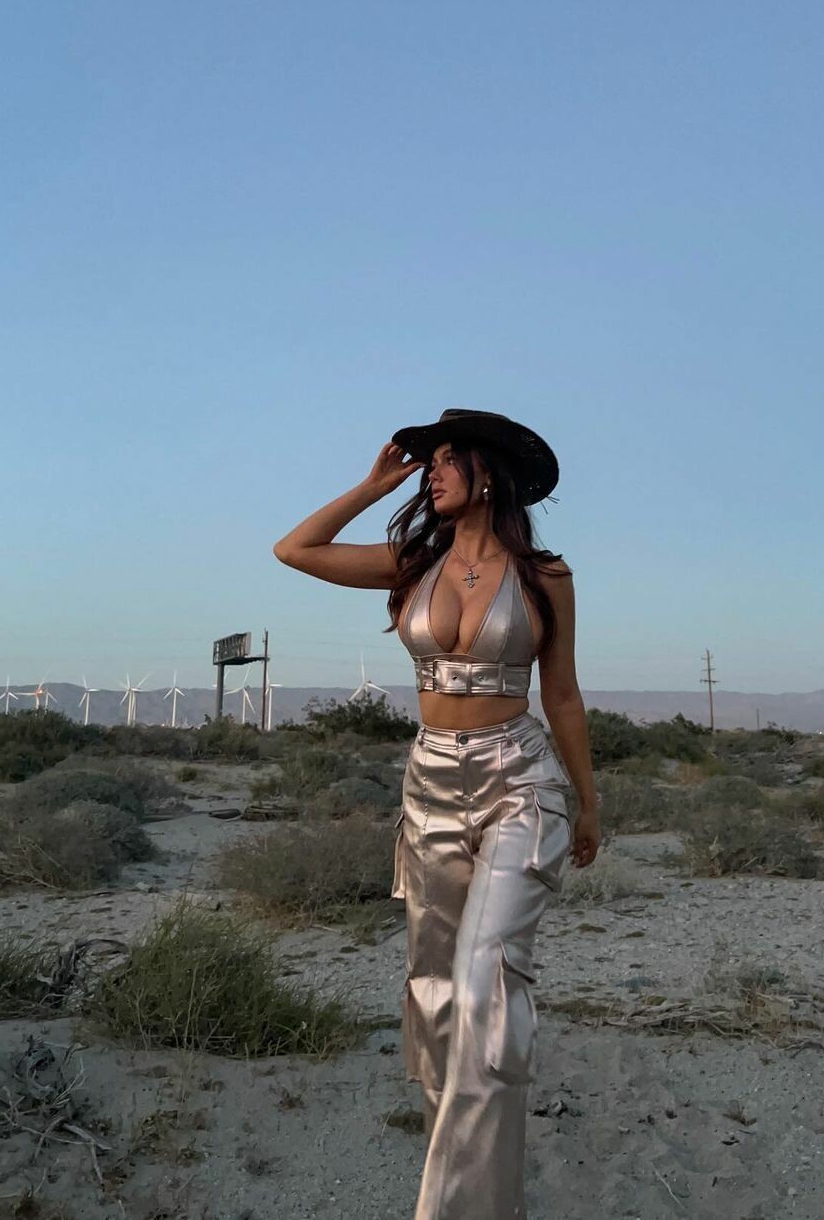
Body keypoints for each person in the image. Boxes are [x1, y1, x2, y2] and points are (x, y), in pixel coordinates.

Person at [273, 408, 601, 1220]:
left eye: (450, 459)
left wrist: (588, 801)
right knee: (435, 996)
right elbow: (295, 549)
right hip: (430, 788)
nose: (433, 472)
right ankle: (480, 1192)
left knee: (487, 985)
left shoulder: (545, 575)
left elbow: (560, 692)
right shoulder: (412, 563)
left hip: (519, 780)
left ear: (489, 474)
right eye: (431, 463)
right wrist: (371, 485)